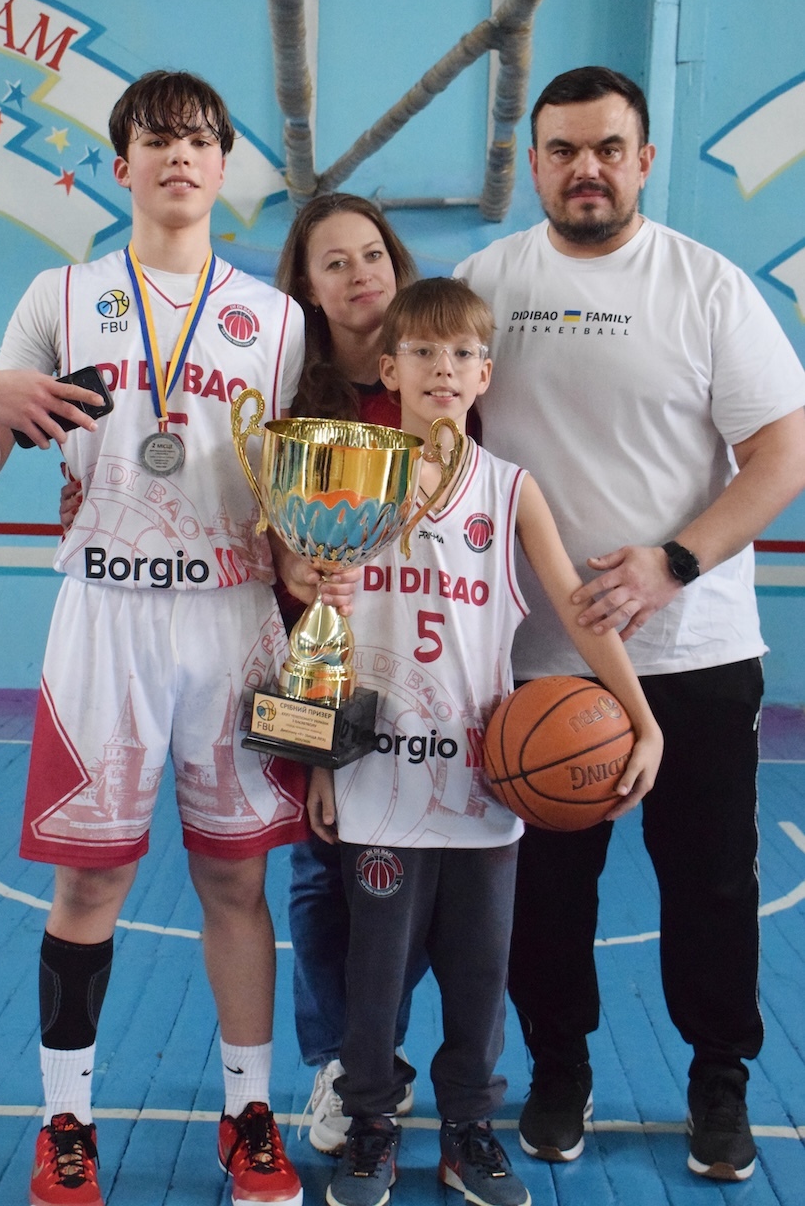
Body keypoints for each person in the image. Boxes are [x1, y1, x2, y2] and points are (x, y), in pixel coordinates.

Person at [0, 69, 355, 1206]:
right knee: (91, 883)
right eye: (157, 139)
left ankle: (248, 1116)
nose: (180, 155)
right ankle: (64, 1122)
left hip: (231, 617)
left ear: (222, 168)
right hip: (103, 614)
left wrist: (303, 567)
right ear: (121, 165)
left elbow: (287, 496)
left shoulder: (278, 321)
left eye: (200, 139)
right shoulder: (60, 295)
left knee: (235, 876)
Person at [454, 65, 805, 1183]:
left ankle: (718, 1078)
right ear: (534, 163)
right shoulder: (484, 283)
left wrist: (674, 561)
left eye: (607, 147)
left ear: (642, 159)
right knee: (544, 896)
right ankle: (558, 1065)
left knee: (711, 884)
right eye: (562, 149)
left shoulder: (706, 287)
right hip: (535, 656)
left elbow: (782, 452)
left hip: (694, 652)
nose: (586, 169)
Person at [307, 276, 663, 1206]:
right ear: (390, 369)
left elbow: (581, 613)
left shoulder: (510, 490)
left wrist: (642, 715)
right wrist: (317, 756)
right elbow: (323, 631)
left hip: (484, 778)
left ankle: (468, 1129)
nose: (444, 367)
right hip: (377, 773)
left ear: (484, 375)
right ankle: (371, 1124)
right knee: (374, 974)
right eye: (423, 351)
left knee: (478, 974)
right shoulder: (352, 475)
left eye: (463, 352)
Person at [273, 194, 424, 1154]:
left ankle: (379, 1043)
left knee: (410, 876)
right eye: (335, 262)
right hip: (313, 656)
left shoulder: (439, 380)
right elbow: (263, 527)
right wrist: (290, 561)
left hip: (425, 660)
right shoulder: (292, 395)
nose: (361, 273)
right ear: (307, 285)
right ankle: (341, 1059)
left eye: (373, 254)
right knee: (322, 865)